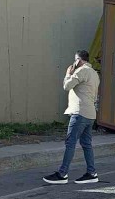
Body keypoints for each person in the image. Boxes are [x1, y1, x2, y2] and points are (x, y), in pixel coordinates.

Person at [43, 50, 101, 185]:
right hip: (90, 114)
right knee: (86, 144)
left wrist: (68, 73)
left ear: (79, 60)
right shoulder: (95, 74)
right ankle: (92, 173)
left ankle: (62, 174)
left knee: (70, 143)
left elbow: (67, 86)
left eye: (75, 60)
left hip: (79, 113)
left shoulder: (81, 71)